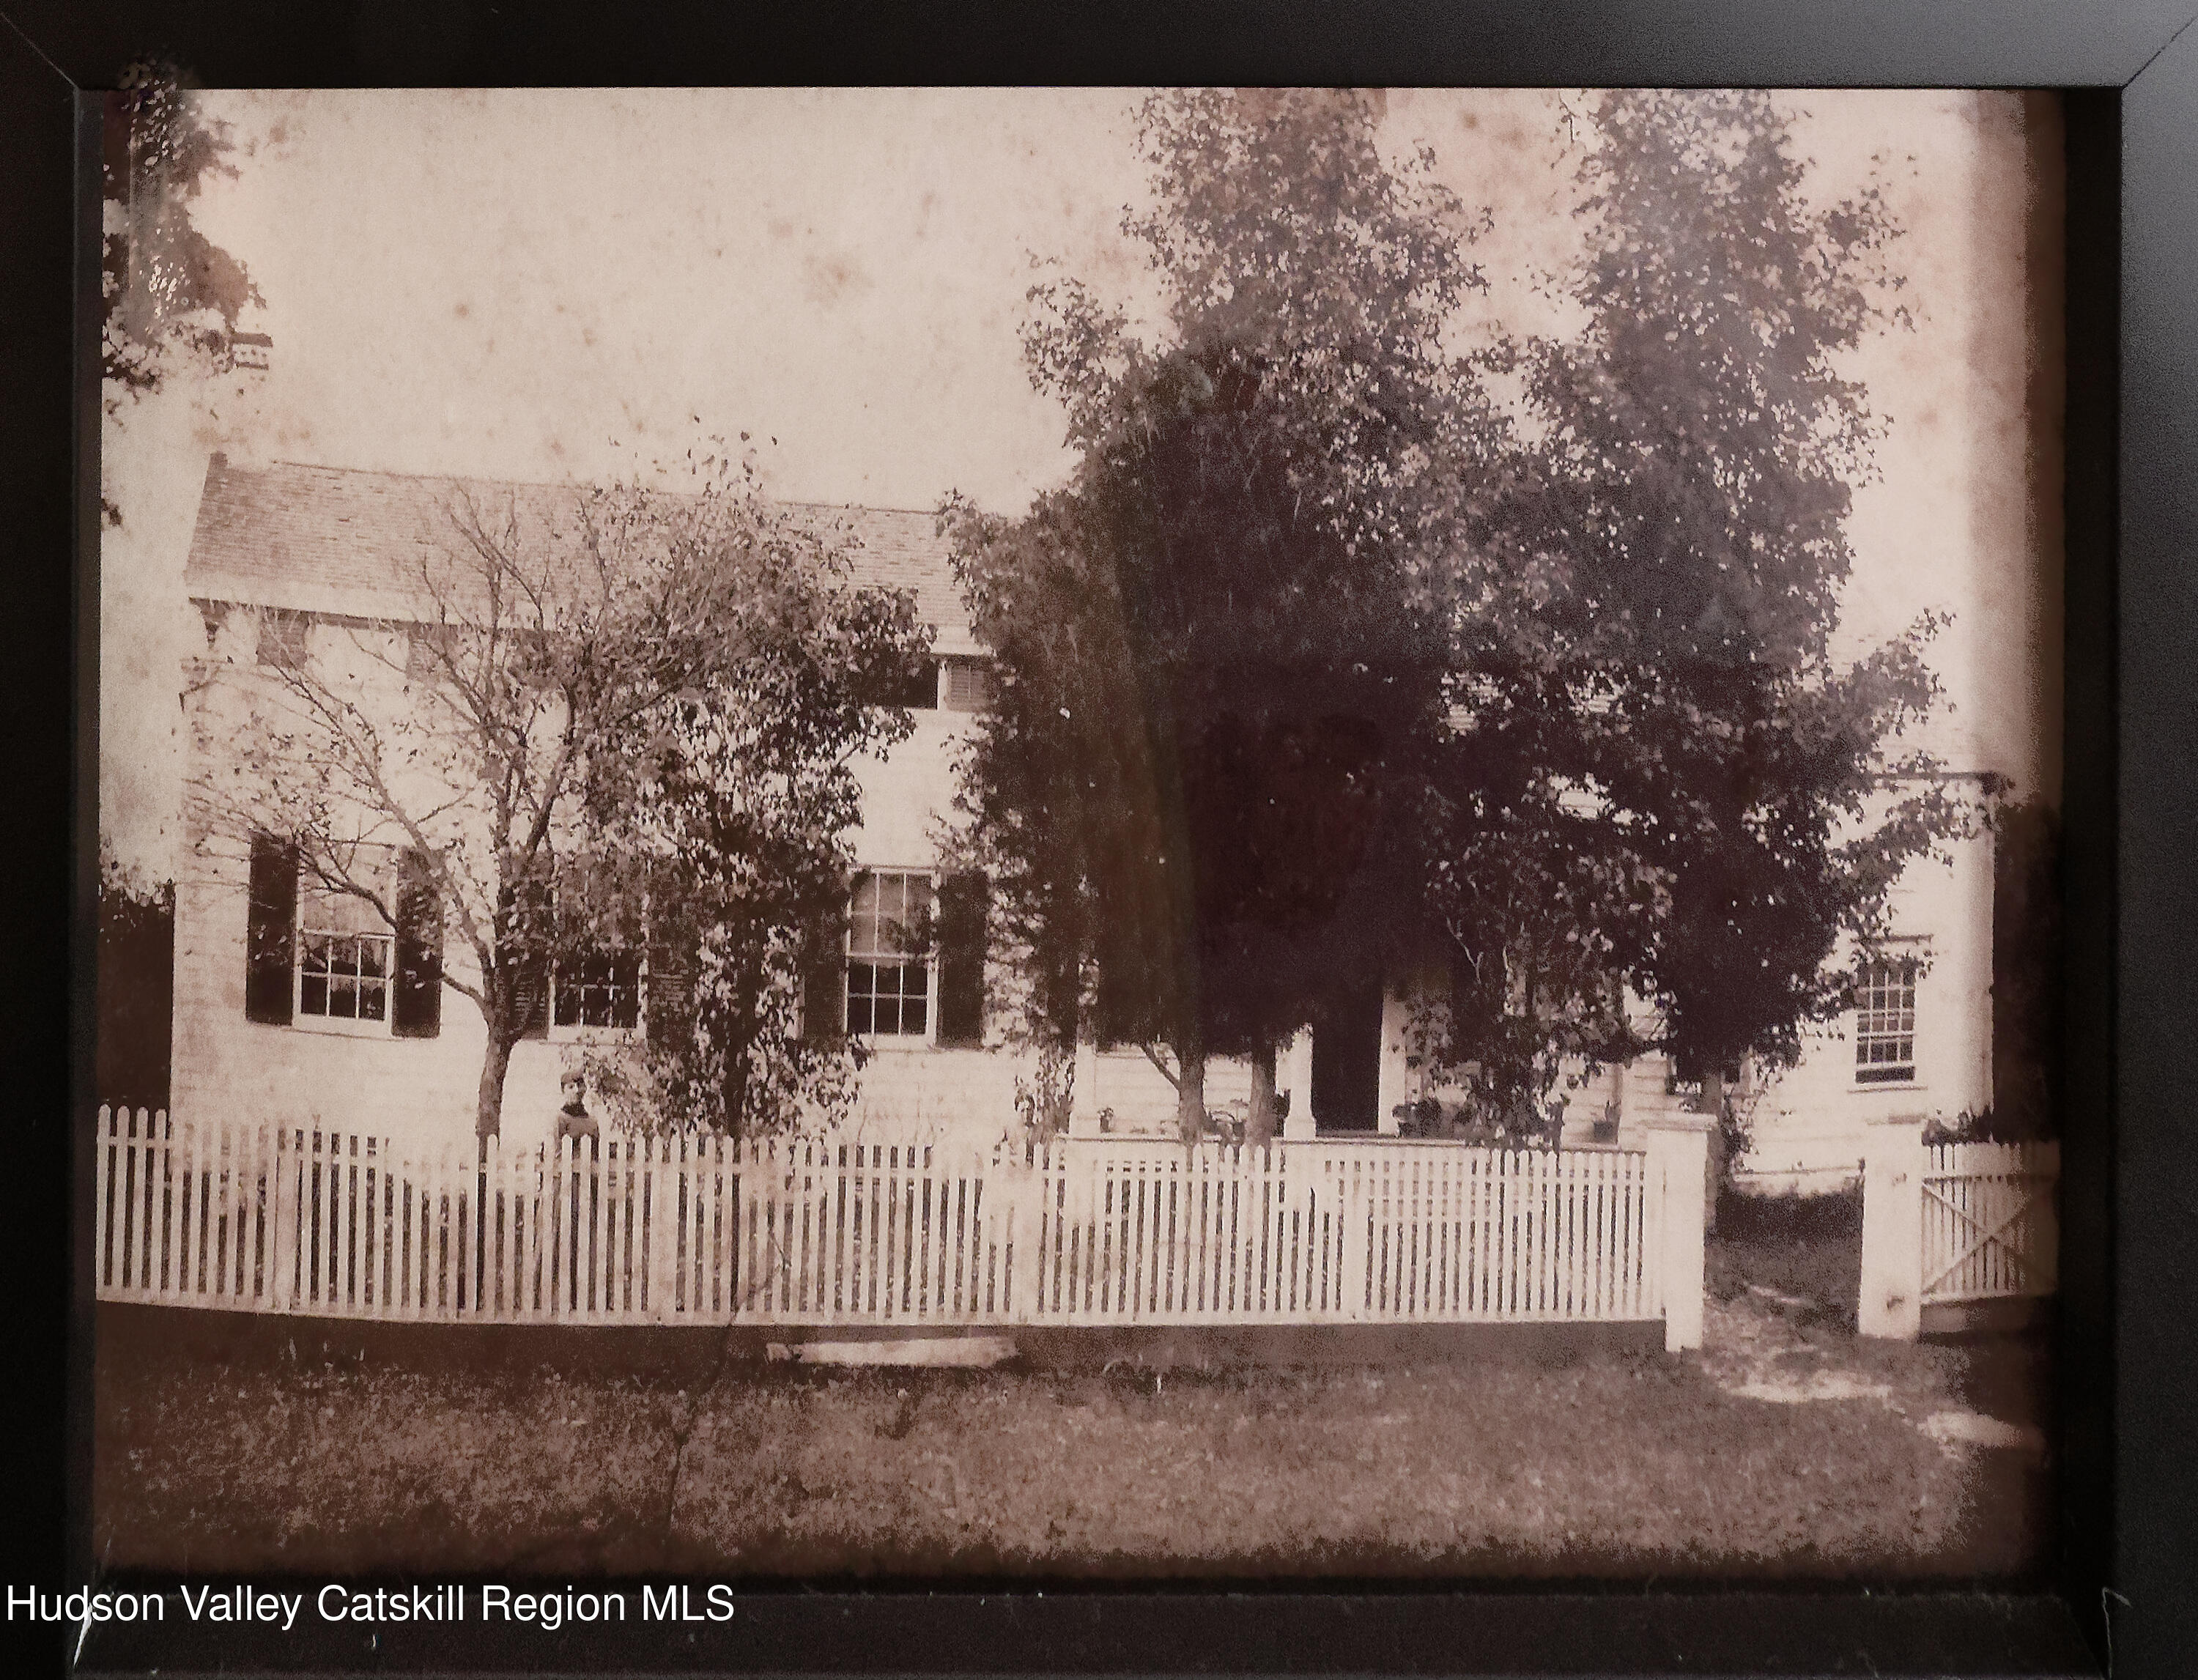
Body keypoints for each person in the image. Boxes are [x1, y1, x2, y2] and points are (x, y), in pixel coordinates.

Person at [553, 1069, 599, 1155]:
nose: (577, 1091)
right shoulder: (559, 1119)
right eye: (571, 1087)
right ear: (563, 1091)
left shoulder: (592, 1123)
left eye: (580, 1086)